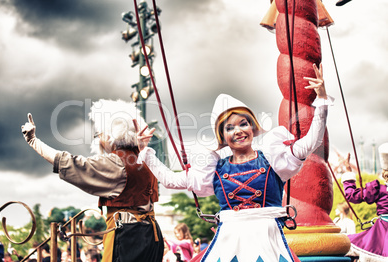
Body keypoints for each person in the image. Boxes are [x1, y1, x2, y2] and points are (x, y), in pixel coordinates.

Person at [135, 63, 332, 262]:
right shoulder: (213, 171)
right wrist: (146, 152)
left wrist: (322, 100)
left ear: (252, 128)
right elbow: (170, 180)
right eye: (229, 128)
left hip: (269, 247)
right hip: (228, 248)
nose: (238, 131)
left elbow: (312, 141)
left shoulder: (274, 159)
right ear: (222, 137)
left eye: (243, 124)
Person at [21, 99, 164, 261]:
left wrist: (33, 141)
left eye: (99, 134)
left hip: (129, 238)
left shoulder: (119, 162)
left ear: (112, 134)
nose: (98, 140)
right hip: (152, 236)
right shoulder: (145, 159)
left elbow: (70, 164)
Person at [341, 142, 388, 261]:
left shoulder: (380, 190)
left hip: (380, 236)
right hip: (380, 233)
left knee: (341, 243)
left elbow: (352, 195)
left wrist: (348, 171)